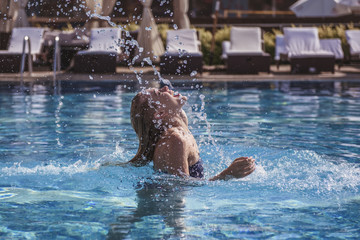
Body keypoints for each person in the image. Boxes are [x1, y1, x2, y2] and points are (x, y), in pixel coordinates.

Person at [105, 86, 255, 181]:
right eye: (159, 92)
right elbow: (181, 189)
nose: (165, 88)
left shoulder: (179, 121)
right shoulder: (175, 139)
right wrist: (227, 175)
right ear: (160, 113)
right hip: (161, 206)